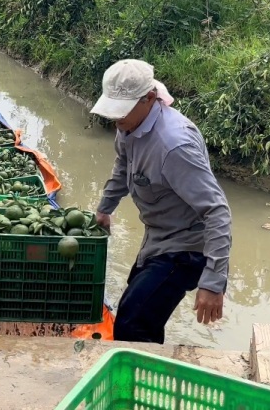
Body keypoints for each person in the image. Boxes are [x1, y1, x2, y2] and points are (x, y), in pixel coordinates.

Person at [90, 59, 232, 343]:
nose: (117, 119)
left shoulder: (174, 146)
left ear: (150, 99)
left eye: (123, 110)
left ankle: (140, 383)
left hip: (188, 246)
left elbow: (217, 211)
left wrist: (213, 283)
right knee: (136, 309)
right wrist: (105, 209)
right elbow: (123, 165)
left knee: (134, 322)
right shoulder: (129, 124)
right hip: (158, 236)